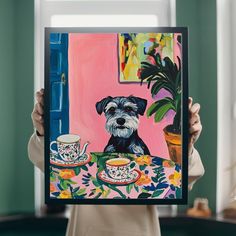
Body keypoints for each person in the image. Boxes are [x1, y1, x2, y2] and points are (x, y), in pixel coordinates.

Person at [28, 89, 204, 236]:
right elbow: (49, 165)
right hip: (87, 228)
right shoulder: (95, 156)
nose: (120, 117)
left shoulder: (143, 153)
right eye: (112, 111)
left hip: (139, 229)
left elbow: (183, 179)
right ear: (104, 112)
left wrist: (185, 147)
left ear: (138, 112)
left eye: (129, 110)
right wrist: (43, 134)